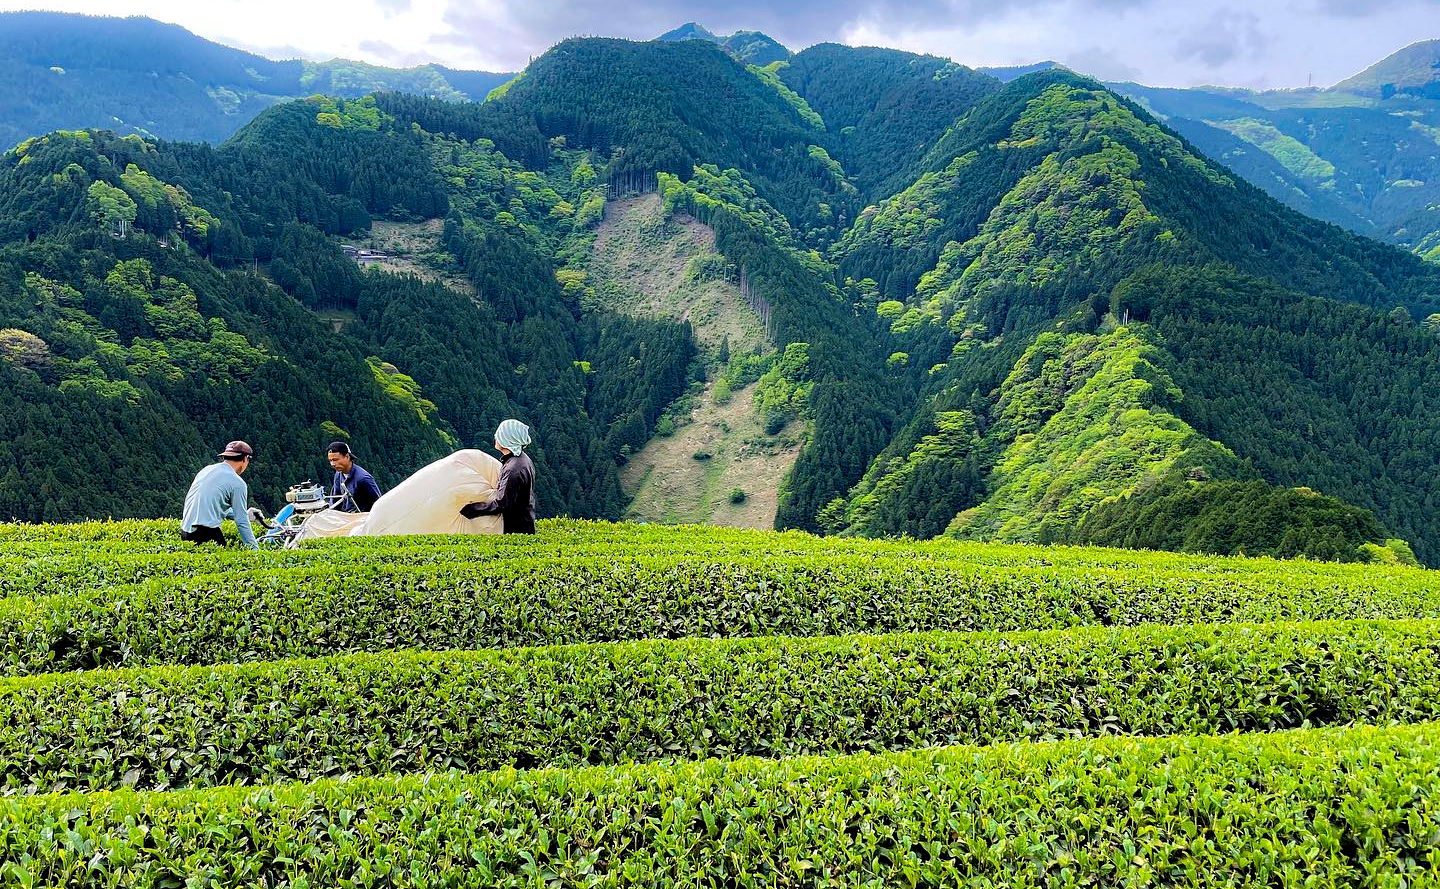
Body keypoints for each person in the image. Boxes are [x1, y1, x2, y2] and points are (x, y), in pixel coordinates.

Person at [460, 418, 537, 534]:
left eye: (500, 435)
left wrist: (472, 509)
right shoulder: (522, 459)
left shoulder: (513, 469)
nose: (496, 437)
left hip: (516, 530)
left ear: (507, 439)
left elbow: (503, 504)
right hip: (525, 524)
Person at [181, 440, 258, 549]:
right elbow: (242, 522)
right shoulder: (238, 483)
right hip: (204, 532)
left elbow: (212, 505)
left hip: (185, 531)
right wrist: (255, 551)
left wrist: (246, 514)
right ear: (245, 459)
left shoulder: (206, 470)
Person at [327, 441, 382, 512]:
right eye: (330, 460)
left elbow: (378, 502)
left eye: (335, 460)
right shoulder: (338, 474)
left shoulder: (363, 478)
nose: (332, 464)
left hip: (362, 518)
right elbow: (335, 499)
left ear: (347, 456)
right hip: (346, 517)